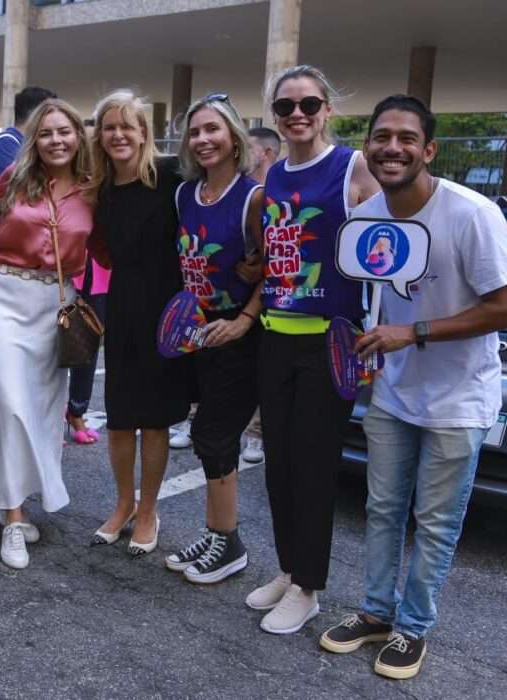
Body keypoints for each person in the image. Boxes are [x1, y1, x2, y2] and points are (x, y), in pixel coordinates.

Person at [318, 95, 507, 679]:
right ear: (369, 147)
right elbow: (373, 299)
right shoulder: (364, 217)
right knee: (382, 509)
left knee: (435, 521)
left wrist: (416, 332)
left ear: (427, 150)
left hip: (459, 400)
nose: (392, 148)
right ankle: (377, 612)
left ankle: (413, 627)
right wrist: (367, 343)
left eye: (406, 138)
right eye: (381, 137)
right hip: (393, 393)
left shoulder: (471, 214)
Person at [247, 64, 380, 635]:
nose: (296, 114)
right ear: (274, 116)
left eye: (308, 104)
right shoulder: (271, 175)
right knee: (278, 466)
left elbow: (391, 247)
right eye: (285, 107)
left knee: (314, 468)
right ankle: (289, 568)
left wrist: (379, 331)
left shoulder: (354, 167)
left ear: (328, 109)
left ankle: (309, 587)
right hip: (276, 336)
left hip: (331, 344)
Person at [0, 98, 93, 569]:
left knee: (43, 410)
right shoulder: (10, 180)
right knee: (7, 405)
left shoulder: (91, 189)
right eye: (46, 133)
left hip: (55, 304)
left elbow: (107, 246)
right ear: (33, 140)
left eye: (65, 131)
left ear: (78, 136)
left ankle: (18, 502)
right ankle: (12, 517)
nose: (56, 140)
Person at [159, 94, 265, 582]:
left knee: (214, 435)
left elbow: (277, 269)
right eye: (195, 132)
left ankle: (229, 544)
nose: (203, 140)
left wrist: (244, 319)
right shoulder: (185, 195)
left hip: (238, 334)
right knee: (209, 439)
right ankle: (218, 532)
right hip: (199, 334)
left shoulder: (253, 197)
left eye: (212, 130)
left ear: (234, 138)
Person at [83, 90, 188, 556]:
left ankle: (149, 509)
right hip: (123, 304)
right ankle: (123, 503)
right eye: (110, 126)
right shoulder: (99, 188)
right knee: (121, 419)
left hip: (167, 308)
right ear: (100, 135)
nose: (119, 134)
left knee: (157, 419)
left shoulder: (171, 176)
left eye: (129, 125)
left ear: (144, 132)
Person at [239, 126, 282, 463]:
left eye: (249, 146)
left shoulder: (275, 190)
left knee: (265, 368)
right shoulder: (240, 190)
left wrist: (263, 266)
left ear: (267, 152)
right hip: (238, 296)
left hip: (274, 300)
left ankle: (257, 434)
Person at [65, 256, 109, 444]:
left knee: (88, 344)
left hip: (101, 268)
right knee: (50, 344)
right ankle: (46, 419)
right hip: (62, 265)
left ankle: (76, 412)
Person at [0, 86, 56, 179]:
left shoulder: (27, 146)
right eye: (50, 113)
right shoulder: (5, 143)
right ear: (36, 115)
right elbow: (22, 186)